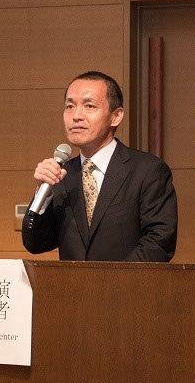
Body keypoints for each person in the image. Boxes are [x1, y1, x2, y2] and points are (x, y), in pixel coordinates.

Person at [22, 71, 177, 262]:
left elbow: (159, 242)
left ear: (116, 116)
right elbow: (35, 243)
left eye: (89, 106)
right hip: (71, 282)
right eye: (70, 106)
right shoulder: (62, 174)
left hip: (127, 281)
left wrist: (110, 278)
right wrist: (43, 193)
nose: (76, 116)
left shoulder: (148, 170)